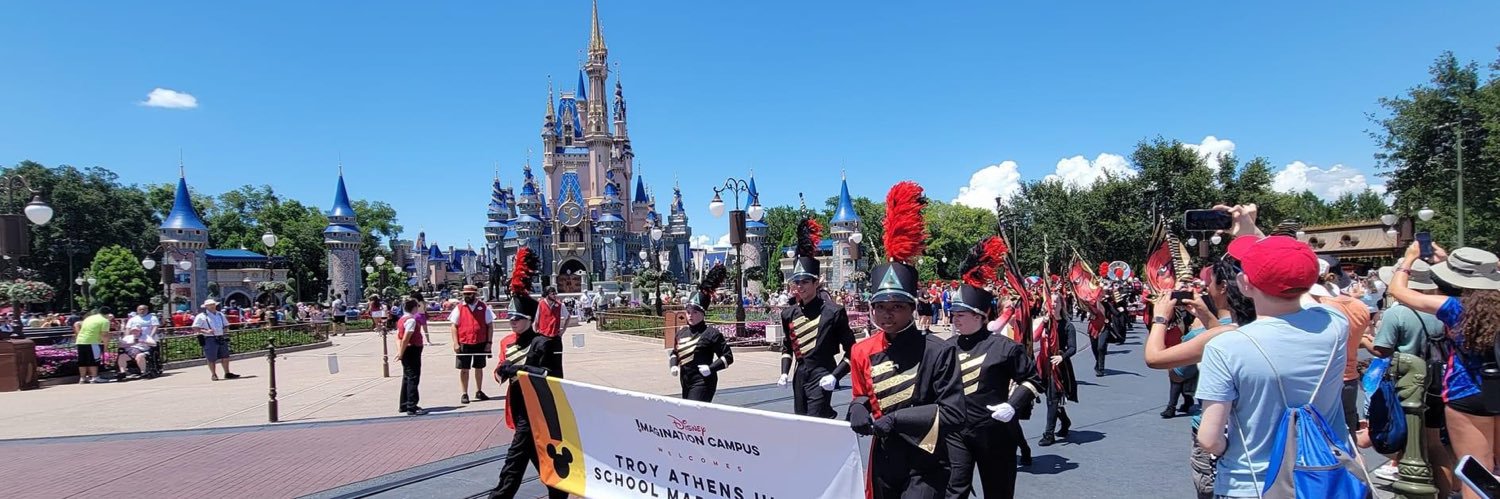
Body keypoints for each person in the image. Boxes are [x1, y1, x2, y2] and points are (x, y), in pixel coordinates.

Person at [1196, 204, 1354, 499]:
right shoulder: (1335, 324)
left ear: (1244, 284)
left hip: (1250, 481)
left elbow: (1209, 439)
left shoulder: (1225, 347)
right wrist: (1252, 230)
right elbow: (1296, 280)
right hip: (1324, 477)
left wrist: (1226, 448)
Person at [846, 181, 963, 498]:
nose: (887, 314)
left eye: (896, 306)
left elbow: (953, 413)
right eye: (880, 307)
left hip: (926, 461)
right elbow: (862, 396)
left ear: (913, 307)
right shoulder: (861, 351)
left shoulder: (939, 351)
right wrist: (856, 407)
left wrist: (896, 419)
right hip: (884, 458)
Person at [1386, 242, 1500, 499]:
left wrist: (1409, 259)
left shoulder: (1455, 308)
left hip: (1467, 391)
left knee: (1477, 473)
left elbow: (1397, 291)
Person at [1144, 258, 1253, 499]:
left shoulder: (1217, 334)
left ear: (1223, 287)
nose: (1204, 288)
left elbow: (1159, 361)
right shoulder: (1256, 327)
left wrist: (1160, 317)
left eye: (1207, 282)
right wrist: (1206, 317)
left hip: (1218, 433)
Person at [945, 236, 1042, 498]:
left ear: (980, 316)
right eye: (953, 315)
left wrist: (1013, 404)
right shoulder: (947, 347)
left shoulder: (1006, 347)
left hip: (995, 432)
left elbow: (1033, 380)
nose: (954, 320)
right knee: (954, 491)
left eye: (961, 315)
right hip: (957, 433)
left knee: (998, 491)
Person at [488, 248, 568, 499]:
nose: (512, 321)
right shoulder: (507, 343)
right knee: (538, 459)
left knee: (514, 461)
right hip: (520, 408)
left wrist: (517, 369)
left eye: (517, 317)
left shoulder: (545, 343)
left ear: (529, 318)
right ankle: (559, 494)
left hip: (539, 411)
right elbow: (500, 373)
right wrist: (503, 371)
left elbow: (552, 376)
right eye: (510, 317)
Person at [1369, 259, 1454, 493]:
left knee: (1407, 437)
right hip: (1436, 378)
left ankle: (1413, 486)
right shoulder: (1439, 311)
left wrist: (1364, 340)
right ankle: (1445, 492)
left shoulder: (1397, 313)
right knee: (1434, 442)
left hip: (1405, 383)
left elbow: (1382, 350)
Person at [778, 213, 857, 418]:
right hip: (800, 375)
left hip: (823, 372)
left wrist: (835, 375)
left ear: (816, 283)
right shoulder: (788, 314)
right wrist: (784, 372)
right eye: (797, 282)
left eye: (805, 282)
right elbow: (787, 346)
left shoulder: (833, 312)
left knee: (816, 419)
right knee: (801, 420)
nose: (800, 286)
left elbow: (852, 351)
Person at [670, 264, 733, 402]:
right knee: (689, 416)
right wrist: (674, 365)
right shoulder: (681, 333)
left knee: (694, 414)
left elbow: (728, 356)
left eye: (695, 312)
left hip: (703, 381)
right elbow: (675, 352)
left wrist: (711, 368)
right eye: (688, 312)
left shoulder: (711, 333)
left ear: (703, 314)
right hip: (686, 380)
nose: (690, 316)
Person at [1036, 295, 1079, 447]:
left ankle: (1049, 434)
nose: (1053, 304)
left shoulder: (1068, 326)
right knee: (1048, 396)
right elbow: (1034, 338)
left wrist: (1062, 357)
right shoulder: (1043, 322)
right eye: (1051, 301)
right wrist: (1043, 323)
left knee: (1052, 399)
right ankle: (1065, 421)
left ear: (1062, 304)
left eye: (1057, 301)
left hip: (1059, 367)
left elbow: (1073, 348)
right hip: (1043, 365)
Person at [448, 284, 494, 405]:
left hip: (480, 342)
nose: (466, 296)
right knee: (464, 369)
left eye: (469, 294)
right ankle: (464, 393)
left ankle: (479, 391)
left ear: (475, 294)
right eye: (465, 294)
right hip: (464, 342)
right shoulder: (459, 308)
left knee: (479, 367)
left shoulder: (483, 307)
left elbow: (490, 325)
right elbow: (453, 326)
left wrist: (489, 342)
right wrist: (455, 343)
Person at [193, 299, 240, 381]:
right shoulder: (201, 316)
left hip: (221, 336)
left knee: (225, 356)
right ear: (206, 307)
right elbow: (195, 328)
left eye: (213, 304)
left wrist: (225, 329)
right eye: (210, 305)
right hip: (209, 338)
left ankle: (227, 373)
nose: (212, 306)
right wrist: (206, 331)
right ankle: (214, 374)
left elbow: (226, 325)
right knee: (211, 358)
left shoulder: (220, 314)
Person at [396, 299, 428, 416]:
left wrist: (400, 351)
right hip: (412, 349)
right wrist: (401, 352)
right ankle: (411, 406)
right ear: (414, 307)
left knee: (407, 377)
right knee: (413, 377)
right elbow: (406, 338)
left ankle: (404, 404)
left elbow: (398, 337)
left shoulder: (402, 319)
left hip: (407, 350)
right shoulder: (411, 320)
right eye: (418, 306)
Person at [534, 286, 566, 377]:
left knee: (557, 362)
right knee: (543, 361)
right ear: (547, 294)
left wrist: (563, 330)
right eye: (553, 293)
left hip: (555, 337)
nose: (555, 295)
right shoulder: (541, 304)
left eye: (555, 293)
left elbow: (567, 317)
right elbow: (536, 319)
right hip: (544, 336)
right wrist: (536, 331)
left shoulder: (560, 305)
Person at [74, 306, 110, 384]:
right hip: (92, 341)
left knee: (82, 361)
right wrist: (106, 346)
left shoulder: (89, 318)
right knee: (93, 360)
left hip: (80, 341)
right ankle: (94, 377)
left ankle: (82, 378)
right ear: (108, 314)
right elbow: (104, 335)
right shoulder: (105, 321)